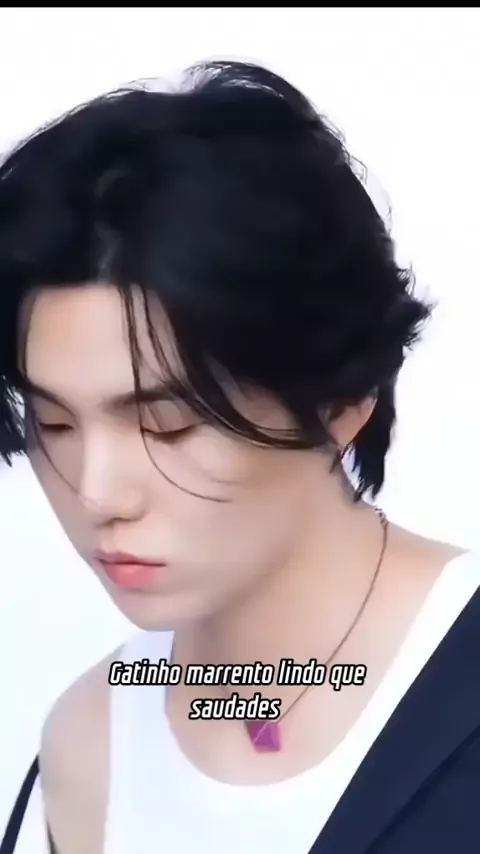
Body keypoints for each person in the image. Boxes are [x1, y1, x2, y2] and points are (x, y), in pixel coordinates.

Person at [0, 60, 479, 854]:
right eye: (54, 424)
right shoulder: (88, 744)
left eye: (167, 427)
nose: (96, 492)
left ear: (342, 398)